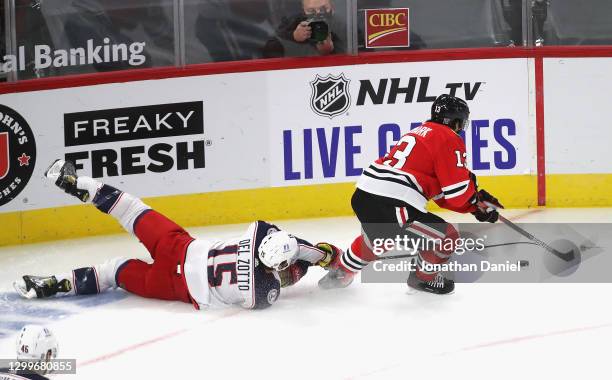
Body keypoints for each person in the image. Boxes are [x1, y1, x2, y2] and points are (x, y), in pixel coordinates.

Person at [14, 160, 341, 309]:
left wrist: (322, 254)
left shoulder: (260, 232)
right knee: (114, 271)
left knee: (129, 209)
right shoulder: (263, 291)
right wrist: (324, 260)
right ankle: (53, 284)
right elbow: (291, 272)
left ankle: (75, 182)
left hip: (181, 247)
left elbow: (292, 245)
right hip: (176, 287)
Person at [318, 94, 503, 294]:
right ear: (457, 121)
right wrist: (475, 199)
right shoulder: (448, 137)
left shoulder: (418, 132)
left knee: (381, 236)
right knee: (447, 237)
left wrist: (474, 206)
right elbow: (457, 193)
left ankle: (341, 272)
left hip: (364, 196)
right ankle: (423, 279)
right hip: (393, 203)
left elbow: (443, 195)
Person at [265, 0, 342, 58]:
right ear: (303, 10)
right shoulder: (296, 22)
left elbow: (350, 53)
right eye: (311, 11)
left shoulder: (342, 25)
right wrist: (294, 36)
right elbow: (273, 40)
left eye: (323, 9)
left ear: (332, 6)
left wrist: (331, 50)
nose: (318, 14)